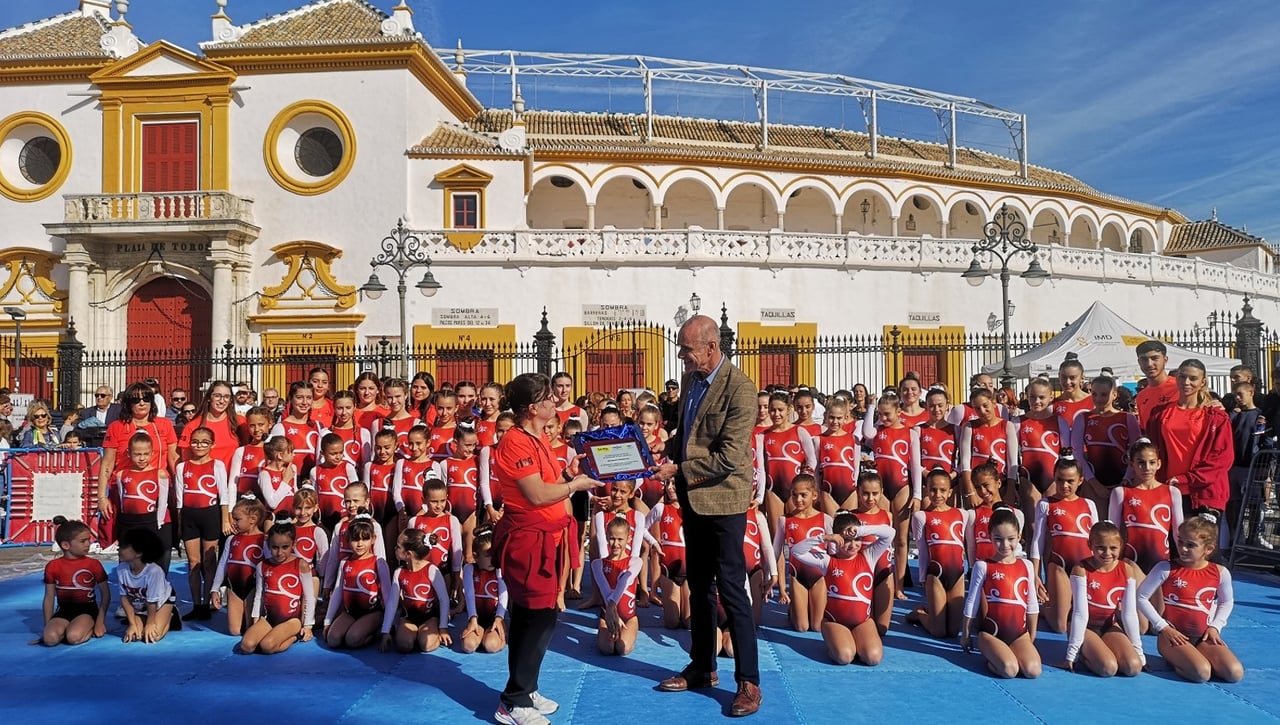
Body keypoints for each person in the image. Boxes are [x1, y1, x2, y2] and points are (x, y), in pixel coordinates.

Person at [652, 315, 761, 718]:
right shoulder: (693, 383)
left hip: (724, 503)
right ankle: (702, 667)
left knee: (732, 588)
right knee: (699, 586)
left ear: (711, 347)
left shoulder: (741, 389)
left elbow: (731, 457)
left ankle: (749, 681)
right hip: (693, 499)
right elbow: (688, 436)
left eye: (687, 349)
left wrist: (679, 469)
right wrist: (658, 452)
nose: (681, 356)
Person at [491, 372, 602, 725]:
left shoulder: (538, 437)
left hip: (550, 538)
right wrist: (574, 486)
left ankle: (527, 687)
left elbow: (552, 482)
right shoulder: (515, 441)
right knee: (533, 616)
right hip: (528, 540)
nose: (555, 399)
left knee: (542, 615)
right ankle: (514, 700)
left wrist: (572, 476)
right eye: (547, 397)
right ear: (531, 408)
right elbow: (537, 494)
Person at [1136, 515, 1244, 683]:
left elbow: (1226, 602)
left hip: (1203, 636)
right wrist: (1163, 627)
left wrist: (1215, 627)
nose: (1183, 549)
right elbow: (1141, 597)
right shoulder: (1166, 568)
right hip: (1171, 637)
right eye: (1180, 542)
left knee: (1234, 673)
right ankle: (1178, 660)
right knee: (1201, 674)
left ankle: (1193, 657)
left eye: (1190, 545)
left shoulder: (1220, 572)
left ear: (1208, 549)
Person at [789, 511, 894, 665]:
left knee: (873, 658)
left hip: (862, 621)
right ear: (837, 539)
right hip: (836, 621)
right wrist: (824, 538)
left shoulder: (869, 556)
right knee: (844, 657)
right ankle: (837, 640)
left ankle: (854, 640)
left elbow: (890, 533)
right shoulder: (827, 562)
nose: (853, 545)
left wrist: (860, 530)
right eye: (846, 540)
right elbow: (796, 551)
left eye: (857, 539)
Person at [961, 504, 1042, 679]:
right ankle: (994, 656)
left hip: (1019, 635)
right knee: (1009, 670)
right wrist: (966, 633)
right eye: (998, 539)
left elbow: (1032, 604)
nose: (1005, 545)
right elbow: (972, 602)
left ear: (1019, 537)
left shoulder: (1026, 565)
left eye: (1011, 539)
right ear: (989, 537)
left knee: (1033, 671)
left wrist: (1031, 635)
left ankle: (1008, 653)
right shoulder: (983, 566)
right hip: (991, 634)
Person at [1146, 359, 1233, 518]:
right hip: (1169, 490)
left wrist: (1187, 478)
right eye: (1182, 377)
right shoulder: (1159, 413)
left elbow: (1222, 458)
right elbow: (1151, 449)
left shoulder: (1216, 417)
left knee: (1200, 543)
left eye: (1193, 378)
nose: (1186, 382)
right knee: (1171, 543)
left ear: (1203, 382)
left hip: (1204, 493)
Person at [1061, 521, 1144, 677]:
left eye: (1113, 548)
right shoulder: (1081, 569)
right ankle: (1087, 654)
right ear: (1090, 545)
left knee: (1133, 667)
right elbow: (1080, 613)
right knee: (1108, 668)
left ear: (1121, 546)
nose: (1107, 553)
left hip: (1108, 625)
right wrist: (1072, 654)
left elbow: (1129, 613)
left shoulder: (1126, 570)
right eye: (1101, 547)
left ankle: (1103, 648)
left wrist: (1140, 654)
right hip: (1084, 626)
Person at [1030, 455, 1098, 634]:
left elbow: (1097, 541)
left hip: (1084, 568)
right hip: (1058, 566)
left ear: (1080, 480)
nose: (1064, 485)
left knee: (1089, 621)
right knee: (1061, 627)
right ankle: (1045, 608)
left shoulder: (1089, 504)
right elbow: (1038, 540)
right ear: (1054, 477)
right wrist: (1036, 575)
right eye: (1060, 480)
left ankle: (1058, 603)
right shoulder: (1046, 504)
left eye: (1070, 481)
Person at [908, 469, 972, 639]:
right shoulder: (922, 516)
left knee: (953, 631)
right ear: (927, 490)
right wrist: (922, 577)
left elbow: (968, 546)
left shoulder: (962, 514)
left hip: (957, 575)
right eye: (933, 490)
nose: (938, 494)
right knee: (939, 632)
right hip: (935, 575)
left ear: (950, 492)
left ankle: (933, 612)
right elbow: (921, 549)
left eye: (943, 490)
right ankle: (920, 614)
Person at [174, 427, 229, 621]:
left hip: (210, 515)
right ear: (190, 444)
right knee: (193, 563)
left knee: (209, 562)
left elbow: (224, 495)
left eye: (205, 442)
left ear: (212, 445)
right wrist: (180, 524)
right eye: (195, 442)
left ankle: (207, 602)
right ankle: (197, 604)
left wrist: (225, 520)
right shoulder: (182, 467)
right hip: (189, 517)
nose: (199, 445)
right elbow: (180, 499)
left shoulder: (218, 465)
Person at [1110, 438, 1184, 576]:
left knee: (1157, 598)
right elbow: (1114, 533)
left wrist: (1184, 562)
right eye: (1141, 463)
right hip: (1131, 561)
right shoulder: (1121, 492)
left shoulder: (1172, 492)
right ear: (1131, 464)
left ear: (1159, 464)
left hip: (1161, 563)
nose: (1147, 468)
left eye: (1152, 463)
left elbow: (1178, 533)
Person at [242, 517, 315, 654]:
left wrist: (308, 625)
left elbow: (309, 597)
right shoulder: (262, 566)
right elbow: (259, 595)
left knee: (267, 646)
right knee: (247, 646)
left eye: (285, 547)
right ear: (268, 545)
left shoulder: (301, 565)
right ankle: (273, 634)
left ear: (294, 544)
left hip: (292, 620)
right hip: (269, 618)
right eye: (275, 547)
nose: (279, 552)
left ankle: (293, 637)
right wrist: (256, 620)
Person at [324, 513, 396, 650]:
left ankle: (374, 629)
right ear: (347, 540)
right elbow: (338, 592)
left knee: (352, 640)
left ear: (373, 539)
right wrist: (328, 621)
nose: (360, 544)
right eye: (355, 539)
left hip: (372, 612)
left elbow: (387, 596)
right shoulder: (345, 562)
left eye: (365, 539)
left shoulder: (378, 563)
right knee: (333, 640)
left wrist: (388, 627)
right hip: (350, 612)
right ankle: (356, 628)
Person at [101, 433, 172, 570]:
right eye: (137, 454)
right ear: (129, 453)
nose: (142, 458)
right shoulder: (121, 474)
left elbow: (163, 502)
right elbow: (123, 501)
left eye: (146, 454)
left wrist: (158, 523)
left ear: (152, 453)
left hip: (151, 522)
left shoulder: (160, 474)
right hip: (129, 522)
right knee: (127, 559)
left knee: (152, 561)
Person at [773, 474, 831, 632]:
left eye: (803, 495)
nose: (798, 500)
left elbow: (833, 553)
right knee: (802, 627)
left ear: (814, 495)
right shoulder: (785, 520)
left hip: (819, 577)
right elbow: (776, 552)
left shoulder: (825, 519)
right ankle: (793, 610)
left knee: (818, 627)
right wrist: (778, 582)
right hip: (797, 577)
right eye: (794, 495)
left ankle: (811, 607)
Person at [38, 518, 109, 646]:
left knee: (73, 637)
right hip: (64, 610)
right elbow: (49, 598)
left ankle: (87, 625)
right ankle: (66, 628)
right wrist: (47, 625)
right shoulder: (53, 566)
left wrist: (100, 622)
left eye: (89, 539)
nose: (88, 544)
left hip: (86, 611)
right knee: (49, 639)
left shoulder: (93, 564)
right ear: (66, 545)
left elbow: (106, 594)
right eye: (83, 541)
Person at [210, 496, 267, 636]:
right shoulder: (231, 539)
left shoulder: (264, 540)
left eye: (237, 519)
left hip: (253, 588)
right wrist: (214, 589)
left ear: (252, 519)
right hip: (233, 587)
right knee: (234, 631)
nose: (233, 522)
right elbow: (223, 564)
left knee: (250, 629)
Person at [389, 528, 451, 653]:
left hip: (429, 618)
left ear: (408, 554)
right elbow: (392, 603)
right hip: (408, 618)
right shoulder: (399, 572)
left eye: (398, 547)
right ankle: (410, 633)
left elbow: (444, 599)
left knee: (426, 646)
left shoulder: (432, 570)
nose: (395, 549)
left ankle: (427, 632)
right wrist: (385, 631)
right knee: (404, 646)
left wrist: (443, 627)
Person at [116, 527, 180, 643]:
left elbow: (152, 602)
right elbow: (124, 598)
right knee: (135, 636)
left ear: (139, 553)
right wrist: (131, 623)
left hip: (162, 602)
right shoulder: (121, 569)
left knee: (153, 636)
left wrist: (150, 623)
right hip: (142, 604)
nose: (118, 549)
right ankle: (144, 618)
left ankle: (170, 614)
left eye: (124, 547)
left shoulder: (154, 572)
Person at [592, 517, 642, 656]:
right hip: (606, 616)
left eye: (620, 539)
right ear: (607, 537)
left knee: (622, 648)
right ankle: (605, 629)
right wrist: (611, 613)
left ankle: (631, 630)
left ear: (628, 539)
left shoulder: (635, 562)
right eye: (612, 538)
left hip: (628, 617)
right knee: (607, 649)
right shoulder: (597, 564)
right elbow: (604, 589)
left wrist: (612, 607)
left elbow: (624, 582)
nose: (615, 544)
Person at [460, 527, 508, 654]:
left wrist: (499, 618)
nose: (492, 559)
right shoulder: (469, 569)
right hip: (477, 618)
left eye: (494, 554)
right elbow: (469, 595)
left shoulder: (499, 570)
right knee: (468, 646)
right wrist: (473, 619)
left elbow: (504, 595)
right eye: (487, 555)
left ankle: (500, 636)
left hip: (495, 618)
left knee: (491, 646)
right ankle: (481, 634)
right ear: (476, 556)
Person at [313, 433, 359, 533]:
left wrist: (351, 516)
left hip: (344, 517)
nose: (338, 457)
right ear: (322, 453)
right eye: (333, 454)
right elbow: (314, 496)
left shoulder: (348, 468)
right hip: (323, 519)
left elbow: (357, 492)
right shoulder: (315, 471)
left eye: (340, 452)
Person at [1135, 339, 1178, 431]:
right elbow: (1145, 429)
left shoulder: (1181, 388)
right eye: (1144, 359)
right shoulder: (1141, 397)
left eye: (1154, 358)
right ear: (1139, 362)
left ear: (1165, 360)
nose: (1149, 364)